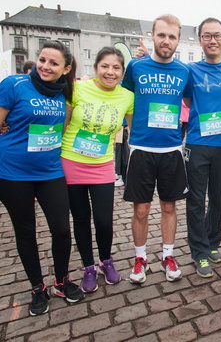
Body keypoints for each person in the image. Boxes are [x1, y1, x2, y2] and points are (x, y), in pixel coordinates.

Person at [0, 40, 84, 316]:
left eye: (53, 63)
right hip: (13, 174)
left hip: (50, 171)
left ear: (65, 69)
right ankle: (38, 287)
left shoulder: (63, 93)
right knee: (25, 232)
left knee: (61, 229)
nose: (45, 66)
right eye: (43, 60)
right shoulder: (14, 84)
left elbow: (61, 130)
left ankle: (61, 280)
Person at [122, 14, 190, 284]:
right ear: (152, 35)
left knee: (168, 207)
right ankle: (140, 259)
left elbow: (191, 101)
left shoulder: (184, 71)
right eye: (161, 35)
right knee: (140, 210)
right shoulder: (136, 67)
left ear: (178, 40)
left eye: (172, 36)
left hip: (171, 150)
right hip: (140, 148)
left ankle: (167, 255)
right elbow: (123, 99)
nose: (166, 40)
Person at [61, 47, 134, 292]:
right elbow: (63, 123)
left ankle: (106, 261)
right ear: (95, 68)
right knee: (81, 219)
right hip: (71, 161)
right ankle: (88, 267)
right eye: (105, 66)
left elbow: (136, 129)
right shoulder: (78, 89)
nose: (110, 72)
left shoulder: (127, 97)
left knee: (104, 220)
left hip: (102, 165)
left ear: (122, 72)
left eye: (116, 67)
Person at [184, 18, 221, 277]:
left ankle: (212, 243)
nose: (212, 40)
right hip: (197, 143)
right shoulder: (191, 71)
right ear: (200, 40)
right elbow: (186, 99)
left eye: (217, 35)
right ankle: (198, 251)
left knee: (217, 198)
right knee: (196, 199)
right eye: (207, 36)